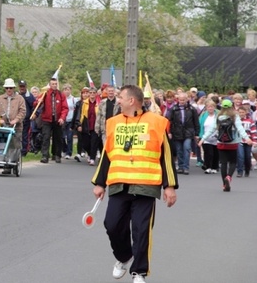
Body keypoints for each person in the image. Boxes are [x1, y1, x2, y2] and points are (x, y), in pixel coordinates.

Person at [91, 85, 178, 283]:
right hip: (119, 183)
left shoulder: (156, 122)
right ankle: (123, 257)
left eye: (120, 97)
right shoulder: (113, 123)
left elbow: (166, 157)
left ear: (132, 100)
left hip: (146, 186)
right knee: (111, 225)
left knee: (141, 230)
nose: (117, 100)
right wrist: (99, 182)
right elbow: (107, 154)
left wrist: (169, 186)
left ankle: (138, 272)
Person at [198, 99, 253, 192]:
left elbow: (211, 130)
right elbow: (240, 129)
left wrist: (202, 139)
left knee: (223, 163)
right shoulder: (234, 116)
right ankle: (229, 177)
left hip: (221, 143)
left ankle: (224, 184)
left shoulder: (218, 116)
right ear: (231, 106)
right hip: (233, 143)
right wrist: (247, 138)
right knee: (233, 162)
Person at [0, 78, 27, 173]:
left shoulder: (20, 99)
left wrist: (16, 120)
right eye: (7, 88)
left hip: (16, 127)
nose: (9, 90)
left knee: (15, 145)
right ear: (4, 88)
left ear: (14, 88)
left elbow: (23, 111)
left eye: (10, 88)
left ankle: (14, 163)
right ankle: (4, 165)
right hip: (2, 127)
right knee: (2, 144)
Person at [36, 77, 69, 163]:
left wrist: (62, 118)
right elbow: (36, 104)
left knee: (58, 138)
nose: (54, 85)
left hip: (58, 120)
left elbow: (65, 108)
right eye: (52, 84)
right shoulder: (45, 94)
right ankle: (45, 155)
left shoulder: (61, 95)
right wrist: (38, 101)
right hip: (47, 119)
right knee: (46, 137)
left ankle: (57, 155)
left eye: (55, 84)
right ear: (50, 85)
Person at [166, 92, 199, 175]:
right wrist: (169, 132)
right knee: (179, 150)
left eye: (184, 100)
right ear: (178, 100)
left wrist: (197, 133)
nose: (182, 101)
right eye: (180, 100)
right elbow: (168, 120)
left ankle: (186, 167)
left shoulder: (192, 109)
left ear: (187, 99)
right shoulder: (173, 109)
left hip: (188, 132)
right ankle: (180, 167)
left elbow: (196, 122)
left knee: (187, 148)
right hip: (177, 132)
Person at [76, 87, 100, 166]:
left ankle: (92, 158)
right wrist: (79, 124)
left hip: (95, 125)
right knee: (85, 143)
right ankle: (89, 154)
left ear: (96, 94)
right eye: (90, 93)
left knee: (94, 142)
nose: (92, 94)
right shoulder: (84, 103)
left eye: (94, 93)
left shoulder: (98, 103)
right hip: (86, 124)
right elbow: (81, 114)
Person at [198, 99, 220, 174]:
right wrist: (199, 135)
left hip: (216, 137)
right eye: (208, 107)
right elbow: (200, 125)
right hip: (206, 137)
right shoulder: (203, 115)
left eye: (212, 107)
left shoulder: (218, 115)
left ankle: (215, 167)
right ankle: (207, 167)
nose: (210, 108)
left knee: (215, 153)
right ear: (206, 108)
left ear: (214, 107)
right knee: (208, 153)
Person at [18, 80, 36, 157]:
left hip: (26, 119)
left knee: (24, 136)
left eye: (23, 86)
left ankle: (24, 151)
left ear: (26, 86)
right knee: (16, 135)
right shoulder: (16, 95)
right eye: (21, 86)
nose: (22, 88)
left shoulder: (30, 96)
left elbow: (34, 106)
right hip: (17, 119)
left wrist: (33, 114)